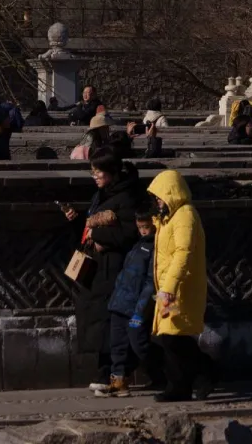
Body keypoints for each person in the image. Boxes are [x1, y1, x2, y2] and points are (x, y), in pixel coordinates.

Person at [61, 151, 143, 395]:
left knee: (108, 319)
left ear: (112, 172)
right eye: (93, 171)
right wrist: (77, 221)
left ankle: (109, 371)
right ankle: (108, 368)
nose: (94, 175)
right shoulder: (100, 195)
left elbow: (130, 233)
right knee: (96, 317)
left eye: (98, 171)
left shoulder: (126, 198)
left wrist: (98, 234)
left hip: (114, 267)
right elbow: (90, 226)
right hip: (96, 266)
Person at [147, 169, 211, 402]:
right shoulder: (171, 217)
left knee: (173, 336)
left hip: (178, 289)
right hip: (169, 288)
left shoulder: (185, 215)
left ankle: (197, 375)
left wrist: (169, 287)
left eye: (160, 196)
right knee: (170, 336)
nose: (157, 201)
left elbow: (183, 253)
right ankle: (186, 381)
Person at [96, 213, 157, 398]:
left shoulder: (154, 248)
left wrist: (140, 309)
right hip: (120, 301)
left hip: (134, 304)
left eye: (145, 227)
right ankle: (119, 380)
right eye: (139, 227)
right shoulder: (137, 245)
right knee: (117, 344)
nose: (142, 231)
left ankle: (165, 372)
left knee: (140, 345)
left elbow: (149, 281)